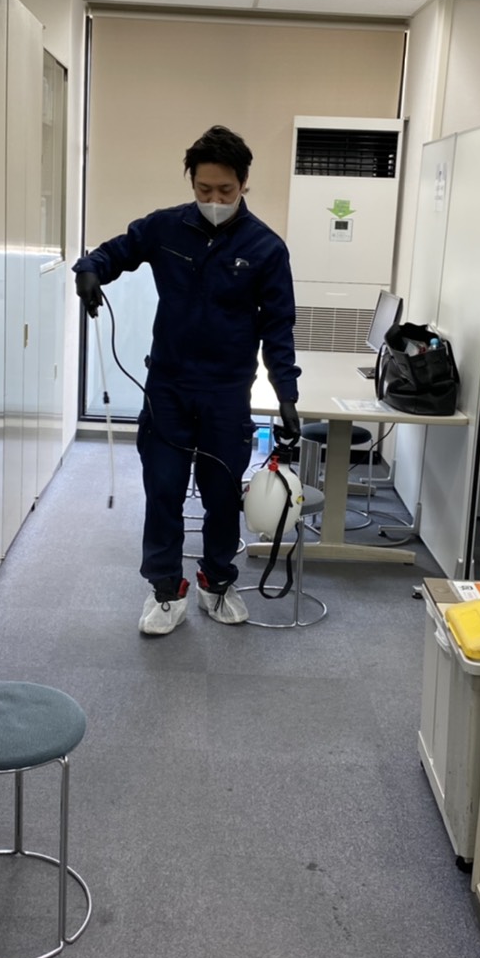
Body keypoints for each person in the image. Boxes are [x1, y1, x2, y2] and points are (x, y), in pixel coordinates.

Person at [75, 126, 301, 636]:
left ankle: (216, 584)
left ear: (244, 183)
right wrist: (89, 271)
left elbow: (278, 327)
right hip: (169, 387)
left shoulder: (266, 248)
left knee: (222, 496)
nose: (214, 200)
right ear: (191, 182)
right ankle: (164, 590)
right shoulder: (165, 228)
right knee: (163, 491)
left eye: (225, 190)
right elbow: (115, 252)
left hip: (226, 392)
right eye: (204, 189)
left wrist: (287, 394)